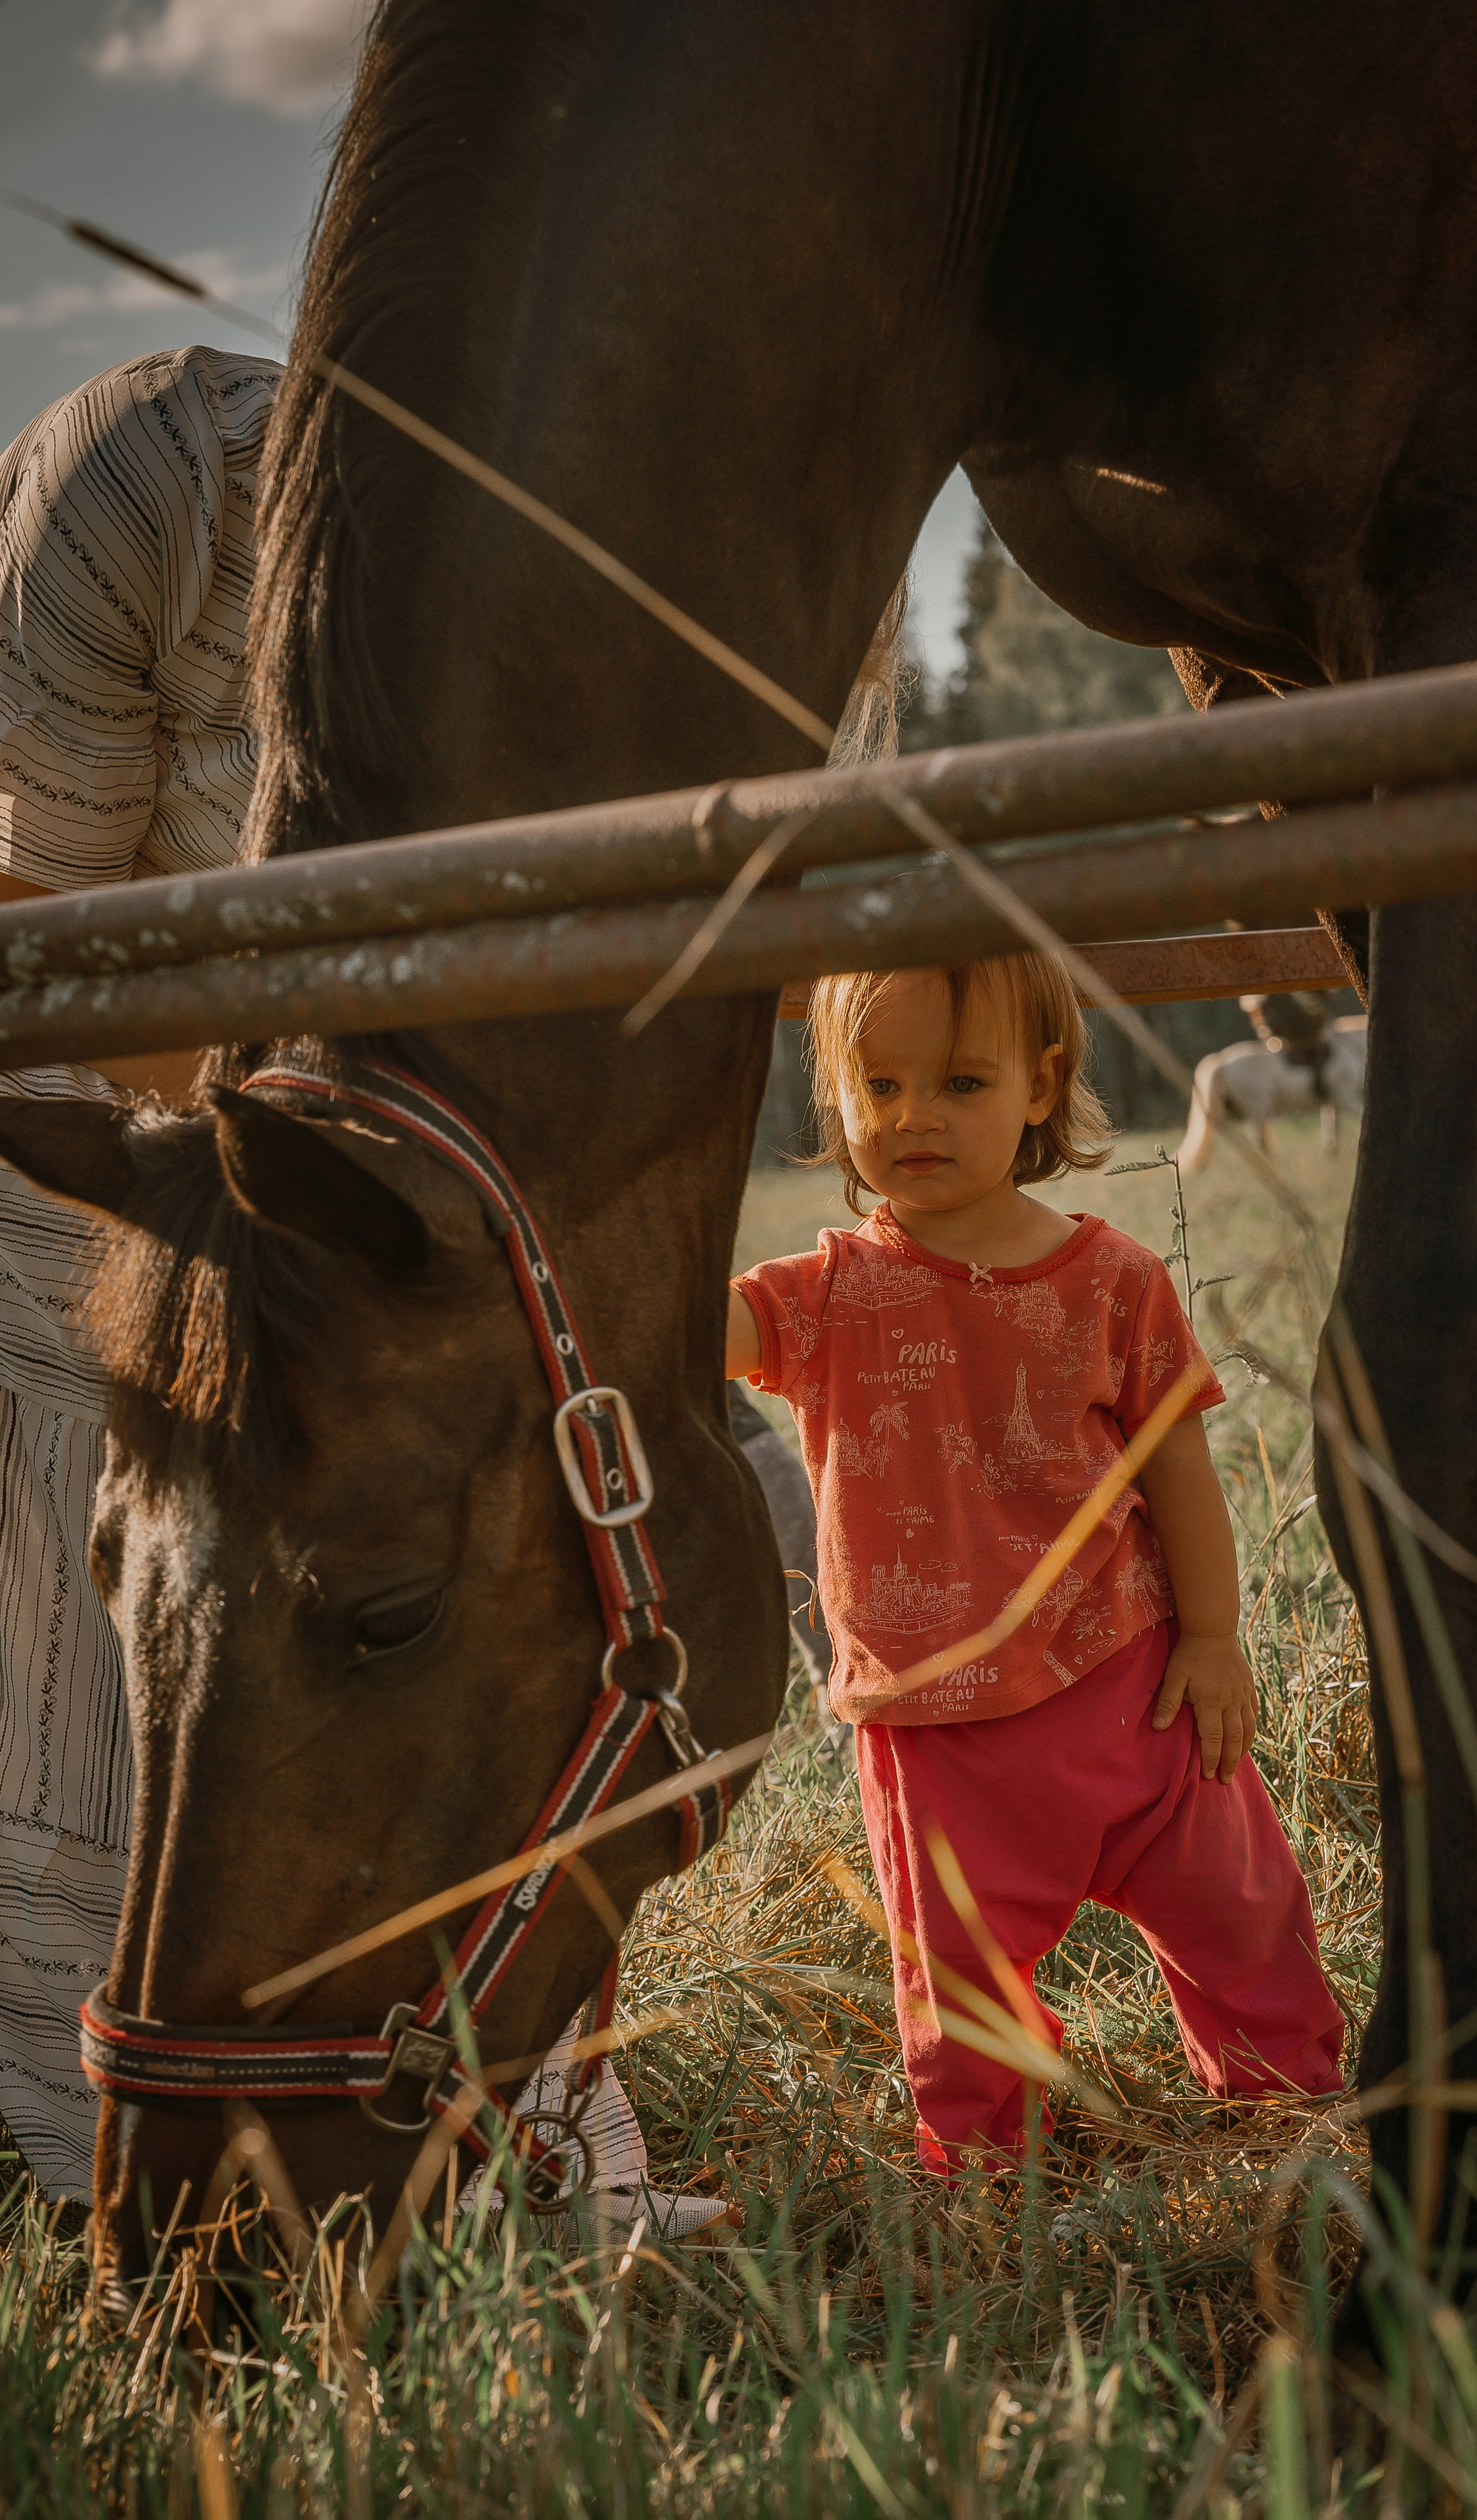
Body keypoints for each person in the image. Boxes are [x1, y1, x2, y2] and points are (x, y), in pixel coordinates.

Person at [0, 346, 795, 2229]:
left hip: (450, 1209)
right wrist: (284, 1169)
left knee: (558, 1550)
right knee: (142, 1588)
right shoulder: (154, 493)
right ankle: (99, 2123)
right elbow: (33, 938)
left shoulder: (698, 587)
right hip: (114, 1148)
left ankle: (505, 2113)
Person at [725, 954, 1344, 2171]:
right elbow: (679, 1329)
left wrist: (1212, 1637)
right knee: (959, 1986)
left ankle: (1291, 2111)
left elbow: (1181, 1475)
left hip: (1134, 1688)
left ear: (1042, 1086)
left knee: (1243, 1914)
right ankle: (993, 2169)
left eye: (961, 1083)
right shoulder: (824, 1294)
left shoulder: (1116, 1281)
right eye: (879, 1085)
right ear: (836, 1095)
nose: (914, 1116)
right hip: (936, 1733)